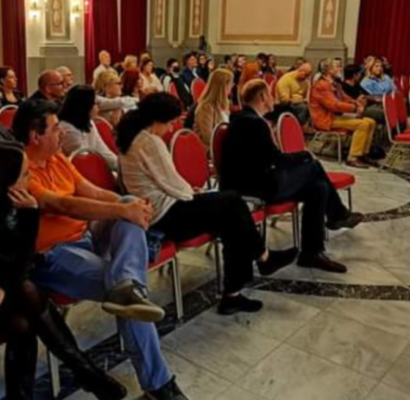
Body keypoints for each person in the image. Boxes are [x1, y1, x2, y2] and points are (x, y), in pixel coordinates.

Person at [13, 99, 191, 400]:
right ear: (35, 135)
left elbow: (92, 192)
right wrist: (122, 211)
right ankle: (159, 385)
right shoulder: (19, 170)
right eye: (55, 129)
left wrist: (130, 204)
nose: (62, 133)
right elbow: (62, 204)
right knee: (125, 293)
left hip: (86, 236)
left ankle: (127, 282)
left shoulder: (57, 159)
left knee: (126, 205)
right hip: (54, 255)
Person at [0, 141, 127, 400]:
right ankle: (86, 372)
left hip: (2, 293)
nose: (30, 180)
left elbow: (22, 258)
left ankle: (71, 378)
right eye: (24, 175)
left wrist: (30, 215)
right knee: (26, 294)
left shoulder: (7, 205)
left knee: (22, 319)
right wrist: (4, 284)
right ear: (4, 181)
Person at [118, 92, 298, 313]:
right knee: (232, 202)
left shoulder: (133, 137)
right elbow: (171, 182)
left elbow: (165, 181)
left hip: (160, 210)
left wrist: (191, 192)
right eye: (171, 123)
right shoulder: (149, 142)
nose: (172, 128)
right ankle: (261, 259)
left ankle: (235, 292)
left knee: (231, 220)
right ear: (158, 120)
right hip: (166, 214)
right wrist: (194, 193)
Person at [222, 79, 364, 273]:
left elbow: (268, 160)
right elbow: (274, 159)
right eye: (270, 94)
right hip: (257, 187)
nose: (272, 98)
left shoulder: (243, 119)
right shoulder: (253, 123)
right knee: (312, 165)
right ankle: (337, 215)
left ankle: (312, 252)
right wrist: (303, 155)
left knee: (318, 188)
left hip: (255, 180)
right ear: (263, 97)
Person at [309, 59, 376, 168]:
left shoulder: (335, 84)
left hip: (334, 117)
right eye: (337, 66)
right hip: (325, 119)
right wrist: (355, 108)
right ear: (328, 70)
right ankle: (353, 157)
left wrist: (357, 103)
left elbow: (345, 97)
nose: (341, 69)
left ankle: (363, 154)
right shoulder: (322, 85)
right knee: (363, 124)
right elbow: (334, 105)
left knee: (371, 122)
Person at [58, 85, 118, 169]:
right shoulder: (68, 129)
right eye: (95, 104)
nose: (98, 107)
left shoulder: (88, 122)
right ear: (84, 106)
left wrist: (121, 166)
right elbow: (84, 162)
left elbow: (102, 150)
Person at [194, 69, 232, 148]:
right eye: (230, 84)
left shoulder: (225, 103)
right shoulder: (205, 107)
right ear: (222, 86)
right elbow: (208, 137)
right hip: (209, 148)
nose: (231, 86)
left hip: (222, 145)